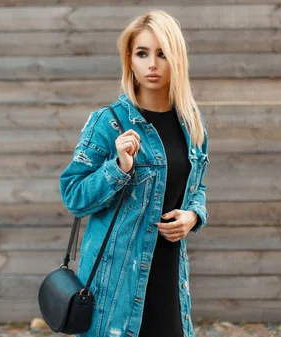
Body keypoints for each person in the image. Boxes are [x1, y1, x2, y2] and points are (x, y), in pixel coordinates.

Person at [59, 9, 209, 337]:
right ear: (130, 58)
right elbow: (74, 195)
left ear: (177, 60)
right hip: (116, 285)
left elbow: (196, 187)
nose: (152, 64)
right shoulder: (108, 122)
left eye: (162, 53)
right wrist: (118, 168)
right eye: (142, 53)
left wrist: (193, 216)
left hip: (169, 276)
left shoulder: (192, 125)